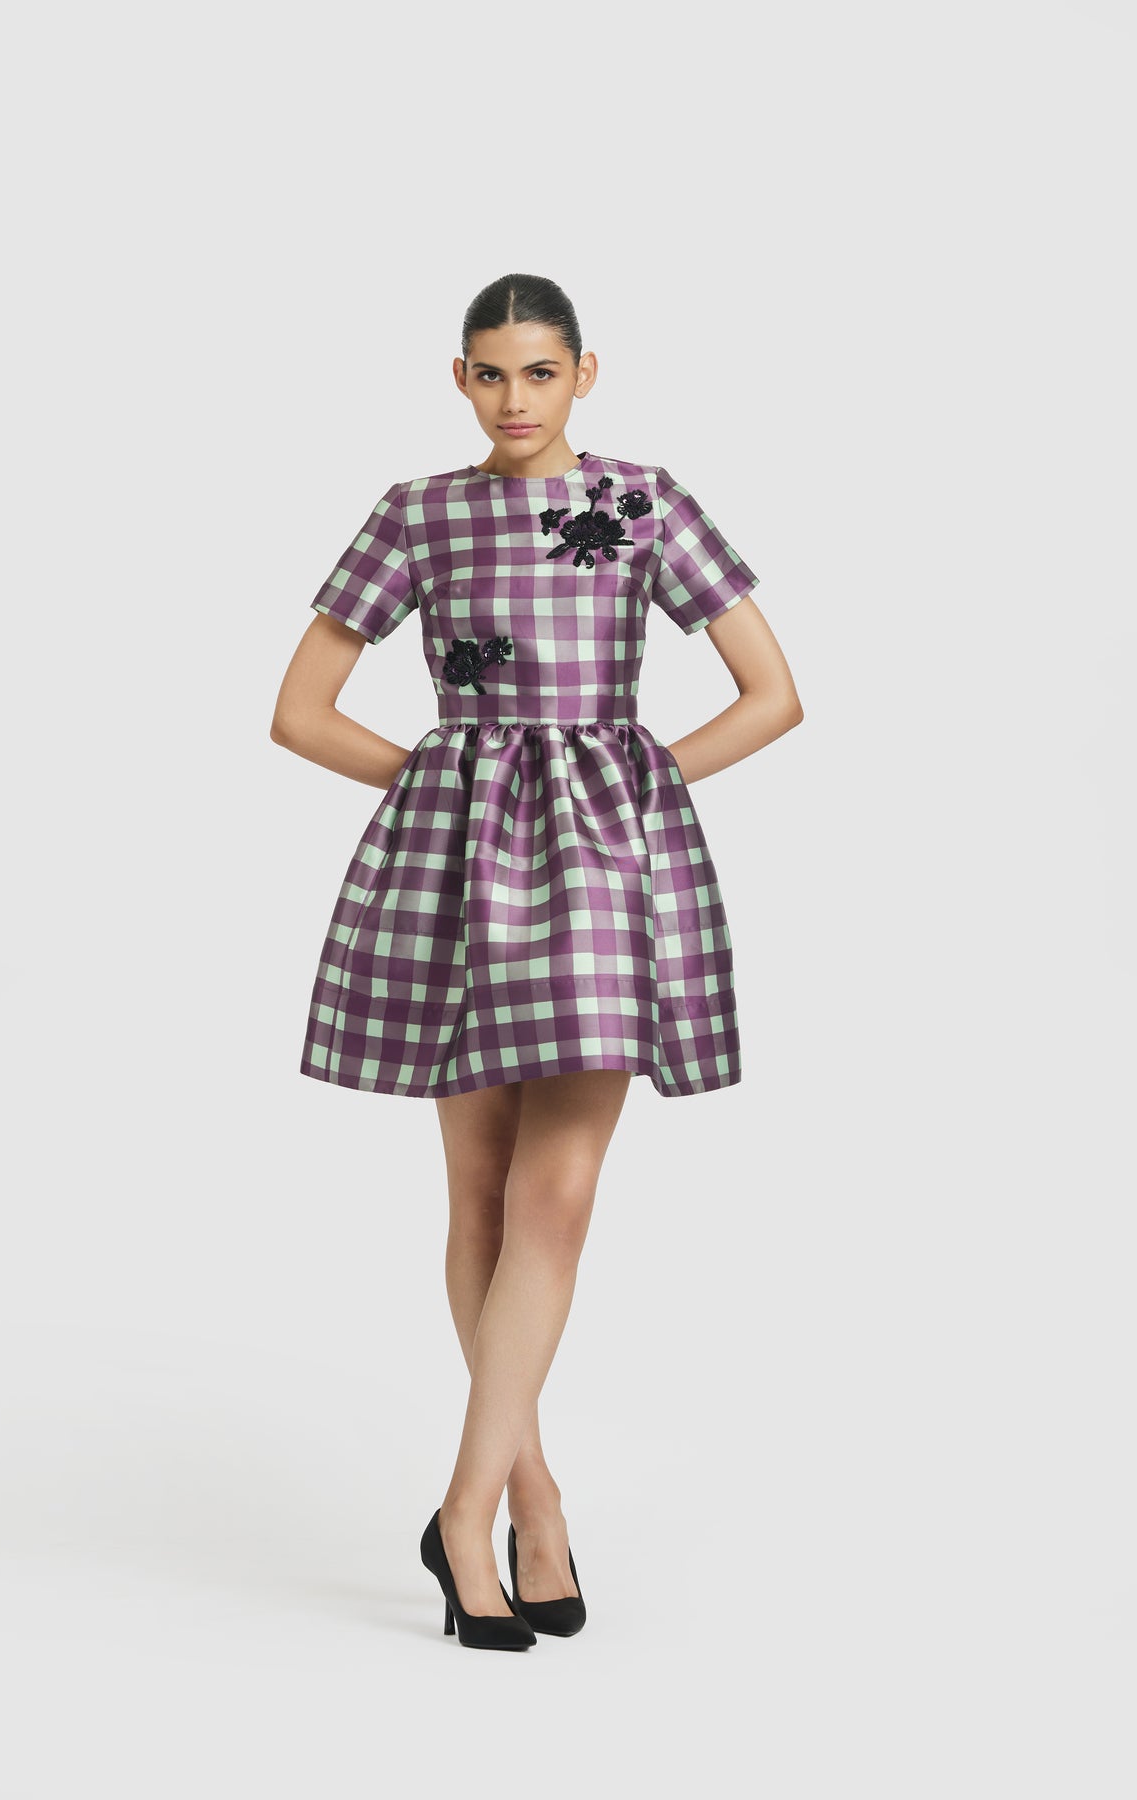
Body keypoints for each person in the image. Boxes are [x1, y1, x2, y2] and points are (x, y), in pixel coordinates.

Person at [270, 272, 804, 1650]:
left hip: (603, 880)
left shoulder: (643, 502)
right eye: (492, 374)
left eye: (541, 372)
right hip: (465, 875)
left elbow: (773, 694)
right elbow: (302, 712)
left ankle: (462, 1514)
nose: (516, 399)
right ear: (461, 379)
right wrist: (444, 794)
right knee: (483, 1195)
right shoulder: (418, 513)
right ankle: (536, 1500)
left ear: (585, 374)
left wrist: (631, 796)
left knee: (555, 1199)